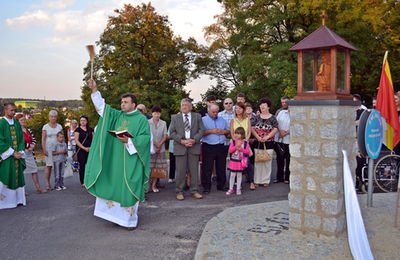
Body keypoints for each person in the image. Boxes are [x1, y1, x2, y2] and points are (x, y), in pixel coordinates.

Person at [85, 79, 150, 229]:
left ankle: (128, 221)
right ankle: (115, 217)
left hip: (130, 160)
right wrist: (94, 90)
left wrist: (131, 141)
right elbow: (102, 108)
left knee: (128, 187)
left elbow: (146, 139)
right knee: (114, 186)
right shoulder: (116, 115)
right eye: (121, 102)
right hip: (115, 159)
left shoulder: (141, 120)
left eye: (126, 102)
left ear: (133, 104)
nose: (122, 104)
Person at [169, 98, 204, 200]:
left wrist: (194, 140)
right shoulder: (175, 118)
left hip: (194, 146)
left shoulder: (197, 116)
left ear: (191, 107)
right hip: (180, 147)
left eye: (186, 105)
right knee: (180, 171)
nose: (184, 107)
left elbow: (202, 130)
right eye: (182, 105)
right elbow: (172, 132)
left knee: (194, 170)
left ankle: (194, 190)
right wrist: (182, 141)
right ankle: (179, 191)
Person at [0, 103, 26, 209]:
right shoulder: (1, 123)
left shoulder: (16, 123)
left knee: (18, 177)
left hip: (17, 157)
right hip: (7, 157)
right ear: (5, 110)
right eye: (11, 110)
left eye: (14, 110)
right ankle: (4, 202)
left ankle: (18, 200)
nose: (13, 112)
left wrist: (19, 151)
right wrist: (12, 152)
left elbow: (20, 139)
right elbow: (0, 140)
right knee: (5, 175)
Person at [201, 104, 230, 193]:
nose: (215, 113)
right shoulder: (203, 120)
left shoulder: (222, 120)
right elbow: (200, 132)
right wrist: (211, 131)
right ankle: (206, 187)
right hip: (208, 146)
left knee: (221, 167)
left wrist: (224, 131)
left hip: (220, 146)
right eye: (213, 112)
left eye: (217, 112)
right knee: (207, 167)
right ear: (208, 111)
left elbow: (228, 132)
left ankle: (221, 185)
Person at [251, 97, 278, 187]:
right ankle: (257, 180)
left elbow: (275, 129)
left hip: (269, 142)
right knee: (258, 161)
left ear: (268, 107)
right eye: (261, 105)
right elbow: (252, 128)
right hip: (258, 142)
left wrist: (267, 137)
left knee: (267, 162)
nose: (262, 106)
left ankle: (266, 180)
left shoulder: (273, 117)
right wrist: (257, 137)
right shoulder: (256, 117)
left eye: (264, 105)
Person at [16, 114, 46, 194]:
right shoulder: (17, 131)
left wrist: (33, 145)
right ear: (17, 122)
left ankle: (38, 187)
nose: (23, 121)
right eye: (21, 120)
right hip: (22, 153)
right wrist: (29, 146)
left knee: (34, 170)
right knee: (21, 172)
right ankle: (22, 190)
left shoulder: (28, 129)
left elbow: (34, 139)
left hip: (30, 153)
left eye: (24, 120)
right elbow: (20, 142)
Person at [230, 102, 253, 189]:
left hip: (244, 144)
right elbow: (232, 133)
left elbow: (249, 132)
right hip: (236, 145)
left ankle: (251, 182)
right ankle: (237, 183)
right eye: (236, 108)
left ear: (243, 109)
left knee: (247, 163)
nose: (238, 110)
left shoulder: (247, 120)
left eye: (239, 108)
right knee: (236, 162)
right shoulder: (233, 120)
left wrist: (245, 141)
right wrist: (236, 143)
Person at [42, 110, 63, 190]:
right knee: (49, 166)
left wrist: (64, 148)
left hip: (58, 149)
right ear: (49, 117)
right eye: (52, 116)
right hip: (49, 149)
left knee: (58, 166)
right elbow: (43, 139)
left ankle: (57, 183)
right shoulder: (45, 127)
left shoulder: (59, 126)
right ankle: (47, 183)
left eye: (55, 116)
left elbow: (62, 137)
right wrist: (44, 149)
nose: (53, 118)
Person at [148, 106, 168, 193]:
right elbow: (147, 135)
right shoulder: (147, 122)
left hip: (161, 148)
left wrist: (159, 145)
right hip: (150, 148)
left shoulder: (163, 123)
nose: (157, 115)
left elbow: (165, 135)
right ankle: (147, 186)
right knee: (149, 168)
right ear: (152, 113)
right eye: (155, 113)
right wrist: (155, 144)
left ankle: (154, 185)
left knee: (157, 169)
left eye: (158, 113)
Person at [226, 127, 250, 195]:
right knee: (232, 175)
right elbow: (230, 151)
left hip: (240, 162)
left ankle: (238, 188)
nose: (237, 135)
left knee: (239, 175)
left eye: (239, 134)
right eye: (236, 133)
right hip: (234, 161)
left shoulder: (245, 143)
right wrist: (236, 146)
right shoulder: (233, 142)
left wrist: (241, 148)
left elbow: (247, 152)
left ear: (242, 135)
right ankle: (231, 188)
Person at [274, 96, 291, 184]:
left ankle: (287, 177)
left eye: (286, 102)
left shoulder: (294, 113)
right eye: (283, 102)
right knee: (279, 159)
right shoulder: (280, 112)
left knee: (288, 159)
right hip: (279, 138)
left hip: (289, 139)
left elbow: (296, 125)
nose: (284, 104)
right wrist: (280, 131)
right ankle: (279, 177)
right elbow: (276, 123)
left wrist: (286, 132)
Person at [74, 115, 94, 186]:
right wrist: (84, 148)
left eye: (84, 120)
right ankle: (82, 181)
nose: (82, 122)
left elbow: (94, 139)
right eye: (81, 120)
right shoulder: (77, 130)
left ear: (87, 121)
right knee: (82, 165)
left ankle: (90, 180)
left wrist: (91, 147)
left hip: (90, 149)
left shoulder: (91, 130)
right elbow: (76, 141)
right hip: (81, 150)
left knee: (90, 165)